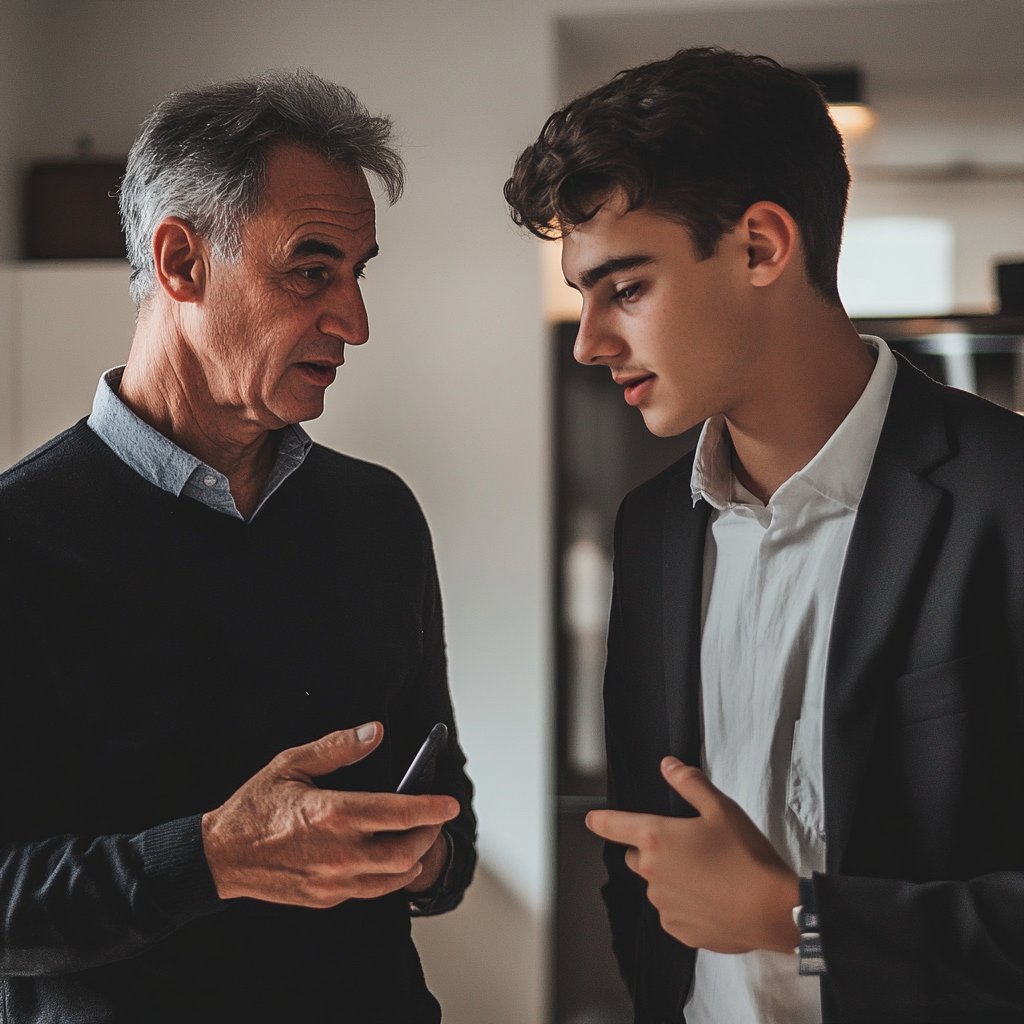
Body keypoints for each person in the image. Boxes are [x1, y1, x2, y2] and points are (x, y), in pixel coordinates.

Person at [504, 46, 1024, 1024]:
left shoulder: (1008, 498)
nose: (588, 340)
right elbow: (641, 860)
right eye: (580, 293)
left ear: (759, 246)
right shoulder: (651, 527)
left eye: (624, 286)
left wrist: (800, 917)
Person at [0, 70, 475, 1023]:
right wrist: (216, 855)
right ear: (180, 262)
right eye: (311, 269)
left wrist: (429, 854)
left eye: (357, 272)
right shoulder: (18, 541)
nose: (355, 321)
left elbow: (442, 780)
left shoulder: (379, 516)